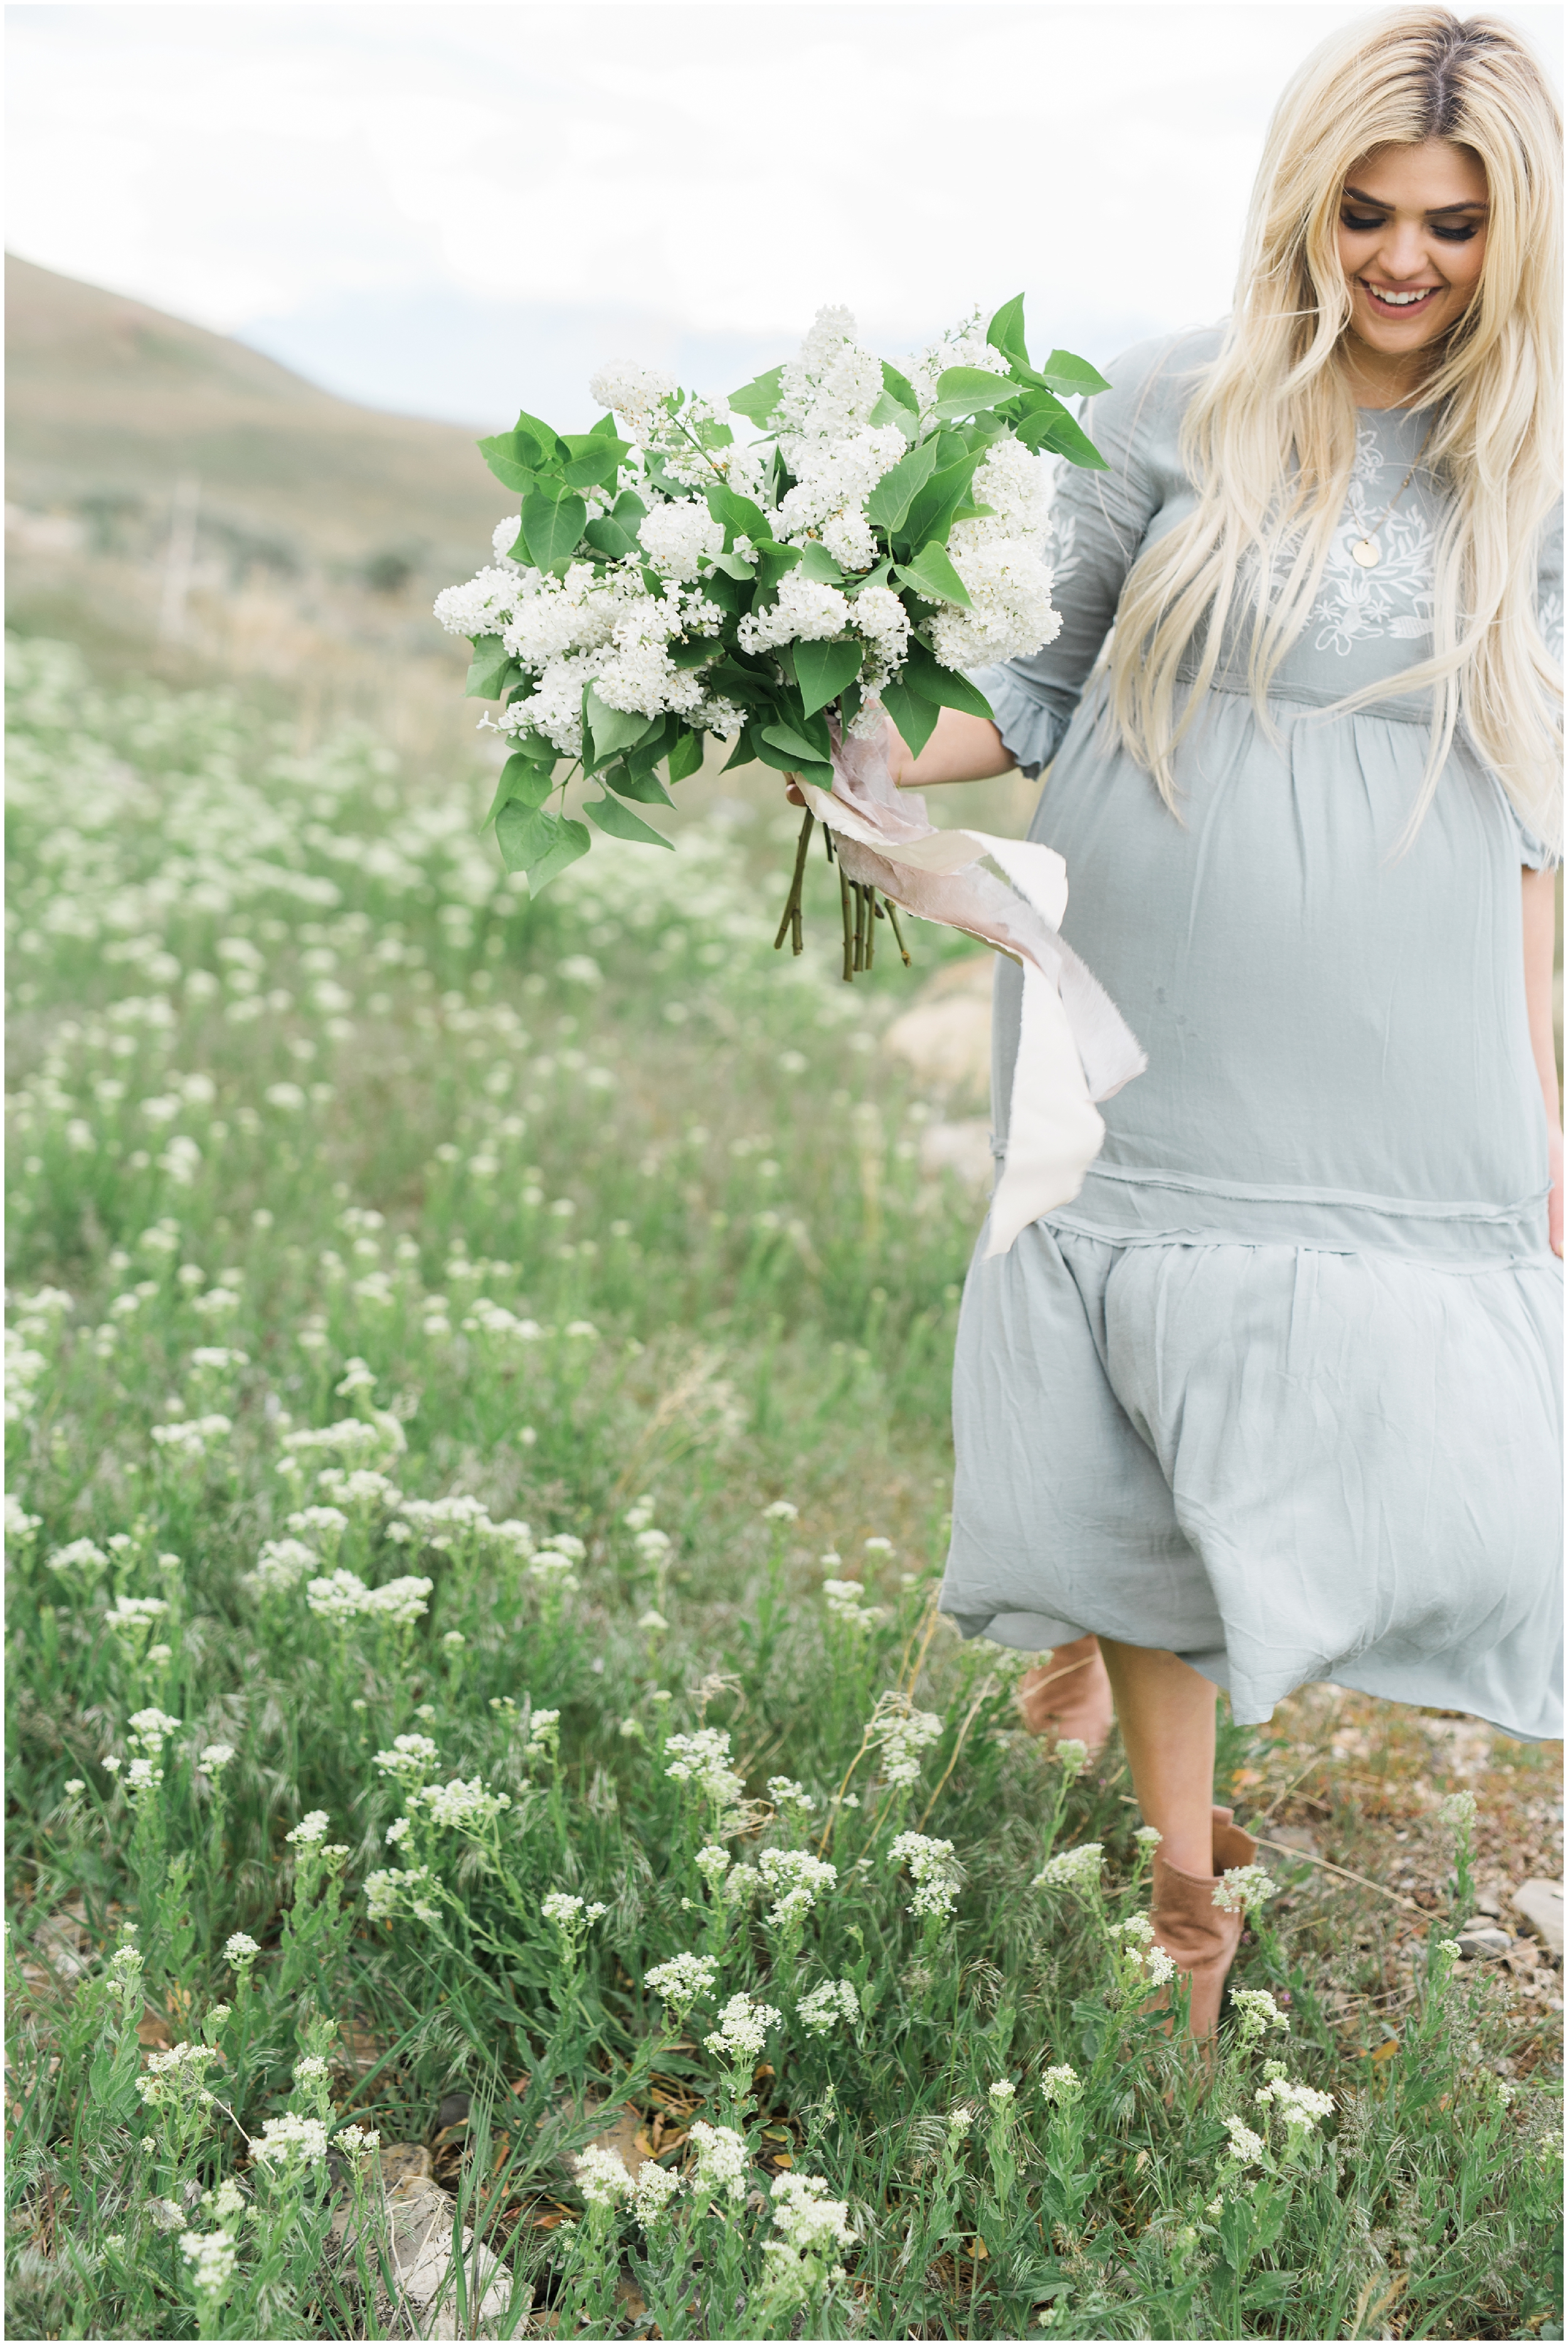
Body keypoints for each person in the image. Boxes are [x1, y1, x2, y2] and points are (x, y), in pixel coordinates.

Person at [894, 8, 1563, 2038]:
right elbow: (1023, 686)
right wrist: (811, 732)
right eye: (1362, 212)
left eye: (1450, 224)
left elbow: (1542, 799)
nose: (1399, 261)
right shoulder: (1173, 401)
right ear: (1301, 201)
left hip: (1395, 1007)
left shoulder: (1535, 453)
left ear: (1509, 231)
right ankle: (1188, 1895)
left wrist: (1544, 1089)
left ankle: (1156, 1633)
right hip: (1142, 997)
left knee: (1432, 1414)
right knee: (1137, 1366)